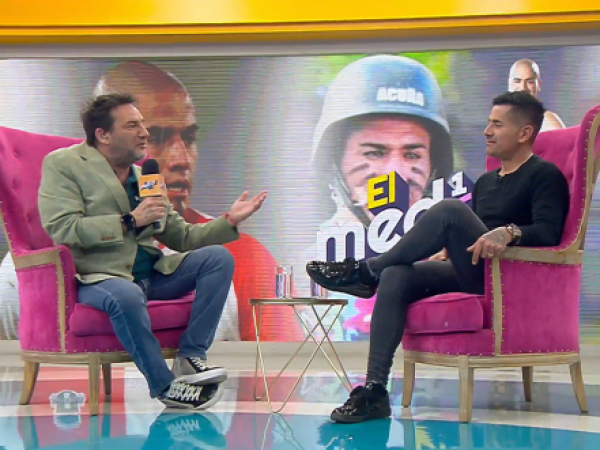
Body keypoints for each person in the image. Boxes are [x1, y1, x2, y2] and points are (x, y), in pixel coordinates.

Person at [306, 91, 570, 423]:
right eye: (488, 123)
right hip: (475, 271)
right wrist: (450, 247)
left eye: (497, 124)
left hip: (510, 279)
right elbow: (475, 233)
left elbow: (549, 233)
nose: (487, 131)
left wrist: (509, 232)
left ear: (524, 133)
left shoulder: (544, 175)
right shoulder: (487, 182)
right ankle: (374, 391)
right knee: (397, 275)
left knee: (449, 209)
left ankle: (366, 271)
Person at [0, 60, 304, 343]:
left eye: (188, 138)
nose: (181, 159)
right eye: (156, 138)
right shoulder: (27, 272)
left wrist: (230, 220)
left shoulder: (247, 258)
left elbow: (282, 371)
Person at [38, 93, 267, 409]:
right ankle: (164, 386)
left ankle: (191, 356)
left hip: (153, 274)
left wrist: (229, 220)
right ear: (103, 135)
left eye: (142, 124)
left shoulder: (144, 176)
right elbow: (63, 228)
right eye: (132, 125)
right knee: (127, 294)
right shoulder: (64, 164)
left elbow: (181, 236)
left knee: (218, 259)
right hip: (99, 277)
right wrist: (130, 220)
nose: (144, 133)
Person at [298, 54, 455, 340]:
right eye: (374, 152)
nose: (394, 174)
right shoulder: (301, 276)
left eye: (412, 154)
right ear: (334, 164)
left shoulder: (453, 266)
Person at [508, 58, 565, 132]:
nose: (523, 87)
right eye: (517, 81)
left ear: (539, 85)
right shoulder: (499, 121)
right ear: (509, 84)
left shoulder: (549, 124)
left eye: (530, 82)